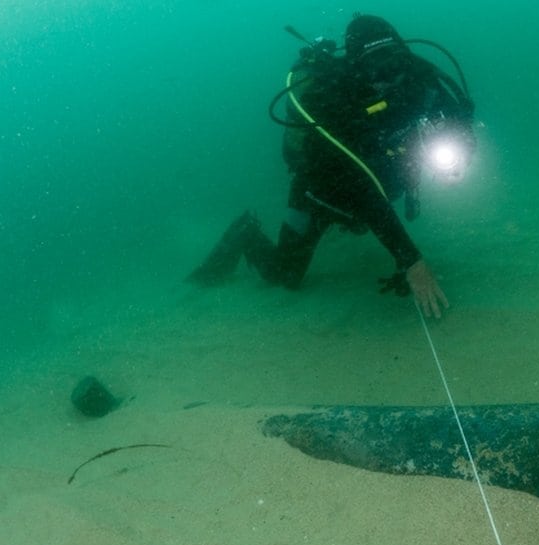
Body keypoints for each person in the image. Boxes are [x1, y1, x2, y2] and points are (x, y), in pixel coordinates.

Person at [187, 14, 476, 318]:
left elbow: (461, 120)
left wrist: (460, 153)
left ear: (402, 51)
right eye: (373, 63)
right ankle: (245, 232)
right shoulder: (334, 97)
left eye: (391, 58)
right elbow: (361, 190)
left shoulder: (418, 74)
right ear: (355, 64)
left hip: (382, 181)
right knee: (285, 275)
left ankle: (360, 228)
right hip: (321, 191)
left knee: (376, 202)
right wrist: (411, 261)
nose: (385, 72)